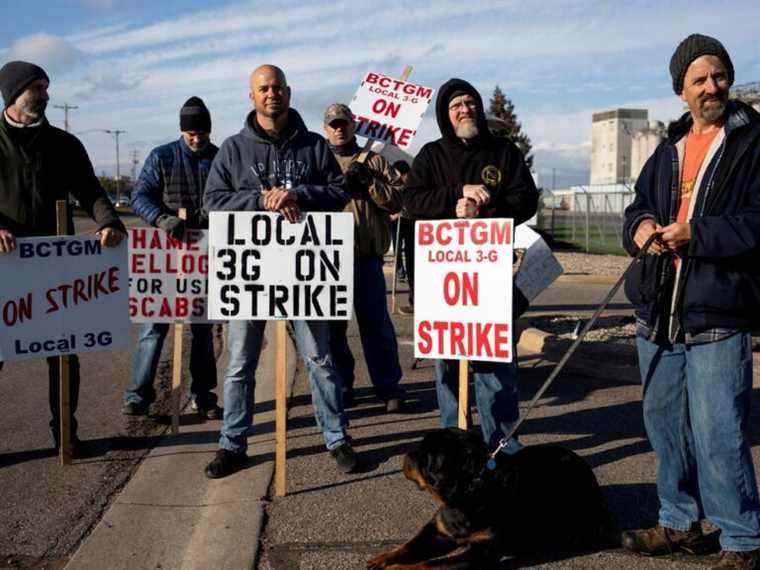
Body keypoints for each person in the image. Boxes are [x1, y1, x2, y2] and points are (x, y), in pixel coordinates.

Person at [620, 34, 760, 569]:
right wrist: (642, 228)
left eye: (719, 75)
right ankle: (679, 522)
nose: (712, 86)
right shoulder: (667, 149)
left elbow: (755, 223)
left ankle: (741, 538)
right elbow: (635, 207)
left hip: (717, 309)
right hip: (657, 310)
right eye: (699, 79)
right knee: (665, 427)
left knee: (719, 428)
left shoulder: (751, 143)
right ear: (680, 90)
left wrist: (696, 235)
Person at [203, 65, 357, 477]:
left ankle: (336, 437)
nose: (271, 94)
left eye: (278, 88)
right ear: (251, 96)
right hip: (249, 276)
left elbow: (340, 192)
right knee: (239, 363)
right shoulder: (233, 149)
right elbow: (213, 202)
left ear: (289, 93)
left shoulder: (314, 146)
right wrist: (262, 199)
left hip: (304, 274)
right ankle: (232, 443)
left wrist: (298, 194)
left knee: (320, 358)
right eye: (263, 89)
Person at [403, 78, 538, 453]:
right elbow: (412, 202)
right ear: (446, 116)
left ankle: (501, 443)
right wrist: (454, 197)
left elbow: (526, 200)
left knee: (495, 365)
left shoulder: (503, 152)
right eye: (456, 105)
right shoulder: (430, 156)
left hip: (490, 281)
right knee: (448, 368)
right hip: (441, 283)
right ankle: (455, 441)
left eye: (470, 102)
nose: (466, 110)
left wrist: (486, 207)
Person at [0, 61, 126, 457]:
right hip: (6, 267)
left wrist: (109, 223)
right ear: (14, 93)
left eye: (46, 87)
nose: (47, 95)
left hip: (57, 269)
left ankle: (66, 436)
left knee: (64, 355)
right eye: (39, 88)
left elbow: (91, 191)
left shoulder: (64, 145)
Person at [122, 97, 221, 419]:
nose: (197, 138)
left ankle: (203, 396)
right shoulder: (162, 155)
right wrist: (162, 218)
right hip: (164, 252)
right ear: (181, 130)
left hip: (204, 250)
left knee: (203, 328)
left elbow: (228, 196)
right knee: (154, 326)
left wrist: (208, 214)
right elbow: (140, 195)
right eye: (191, 133)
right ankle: (138, 395)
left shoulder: (219, 158)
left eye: (202, 132)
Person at [322, 103, 406, 412]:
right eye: (333, 124)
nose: (339, 128)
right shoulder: (320, 161)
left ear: (353, 125)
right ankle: (343, 386)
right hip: (329, 260)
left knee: (377, 327)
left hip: (367, 259)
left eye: (343, 123)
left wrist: (370, 182)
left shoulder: (374, 160)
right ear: (325, 128)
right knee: (333, 331)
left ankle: (388, 386)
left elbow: (398, 198)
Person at [391, 160, 415, 315]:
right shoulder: (397, 184)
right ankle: (401, 272)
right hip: (400, 223)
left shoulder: (415, 182)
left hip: (413, 224)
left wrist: (403, 211)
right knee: (400, 251)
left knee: (413, 261)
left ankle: (415, 300)